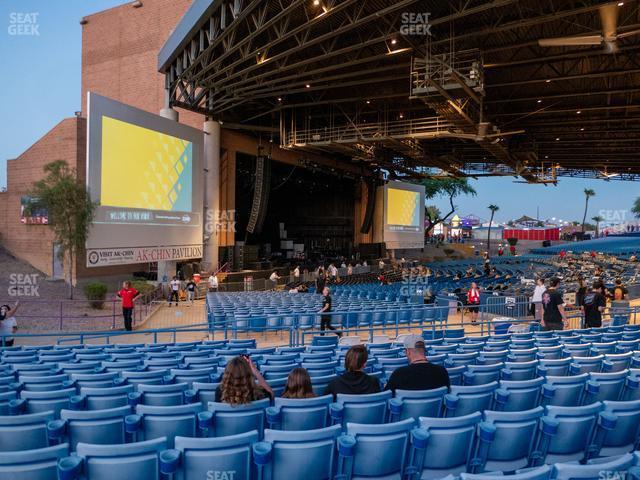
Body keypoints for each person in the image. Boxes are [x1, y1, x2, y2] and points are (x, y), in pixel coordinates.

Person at [385, 335, 450, 392]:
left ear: (408, 352)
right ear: (424, 350)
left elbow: (386, 395)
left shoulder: (399, 374)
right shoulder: (442, 371)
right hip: (435, 406)